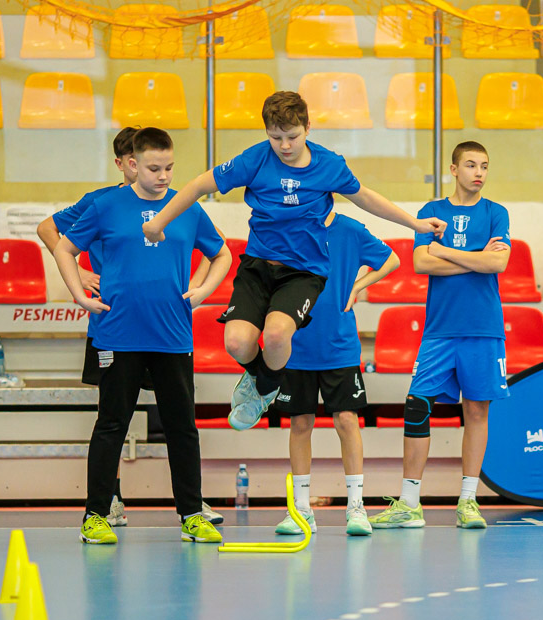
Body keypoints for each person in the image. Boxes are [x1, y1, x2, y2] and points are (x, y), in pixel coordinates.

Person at [141, 91, 447, 431]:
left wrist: (415, 223)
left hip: (304, 272)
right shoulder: (256, 159)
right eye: (276, 137)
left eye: (292, 136)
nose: (284, 146)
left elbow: (366, 198)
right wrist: (158, 222)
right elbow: (199, 185)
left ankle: (264, 387)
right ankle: (263, 381)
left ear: (308, 128)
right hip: (258, 266)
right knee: (236, 343)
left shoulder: (328, 165)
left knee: (275, 335)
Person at [54, 127, 232, 545]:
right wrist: (80, 295)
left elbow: (222, 253)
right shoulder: (105, 206)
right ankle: (96, 515)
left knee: (181, 428)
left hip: (172, 336)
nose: (163, 176)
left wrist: (203, 291)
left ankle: (192, 515)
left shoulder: (187, 207)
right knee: (111, 425)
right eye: (154, 168)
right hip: (118, 335)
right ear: (132, 164)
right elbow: (64, 248)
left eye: (169, 167)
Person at [369, 141, 511, 531]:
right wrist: (477, 258)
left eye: (484, 166)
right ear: (453, 169)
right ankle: (409, 503)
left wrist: (444, 252)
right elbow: (420, 262)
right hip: (440, 330)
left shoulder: (496, 213)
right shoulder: (432, 212)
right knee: (417, 405)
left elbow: (498, 262)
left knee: (477, 411)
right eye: (471, 165)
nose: (479, 172)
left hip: (483, 328)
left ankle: (468, 501)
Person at [274, 211, 399, 536]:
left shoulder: (350, 229)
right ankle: (301, 509)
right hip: (297, 344)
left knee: (346, 419)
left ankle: (356, 507)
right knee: (300, 423)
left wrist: (357, 285)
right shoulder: (289, 225)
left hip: (339, 345)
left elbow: (391, 260)